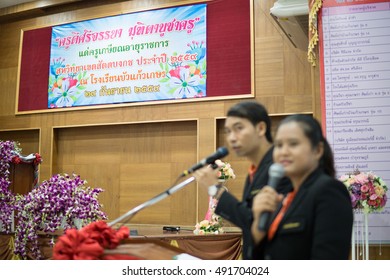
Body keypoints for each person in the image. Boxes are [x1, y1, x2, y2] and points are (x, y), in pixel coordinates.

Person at [194, 101, 292, 259]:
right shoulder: (255, 170)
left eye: (239, 128)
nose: (232, 138)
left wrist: (216, 190)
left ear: (260, 128)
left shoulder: (279, 168)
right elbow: (251, 221)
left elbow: (263, 224)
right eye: (228, 131)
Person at [251, 114, 353, 259]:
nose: (284, 152)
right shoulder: (283, 199)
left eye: (293, 144)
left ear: (317, 150)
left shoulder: (328, 191)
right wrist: (257, 230)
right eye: (279, 145)